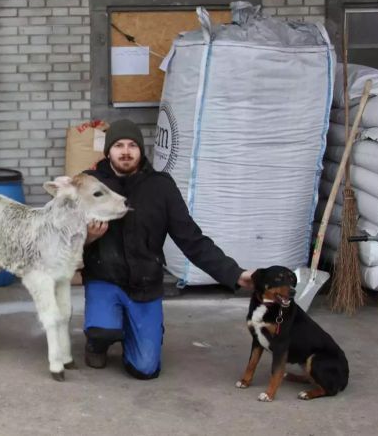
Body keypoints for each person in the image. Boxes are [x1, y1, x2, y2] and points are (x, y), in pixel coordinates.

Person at [80, 119, 254, 380]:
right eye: (118, 145)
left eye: (132, 145)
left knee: (145, 369)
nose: (125, 151)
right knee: (102, 330)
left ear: (141, 149)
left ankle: (135, 331)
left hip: (145, 283)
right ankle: (97, 342)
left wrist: (234, 274)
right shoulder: (89, 183)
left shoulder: (160, 186)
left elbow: (192, 240)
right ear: (108, 151)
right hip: (105, 278)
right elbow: (63, 233)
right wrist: (87, 238)